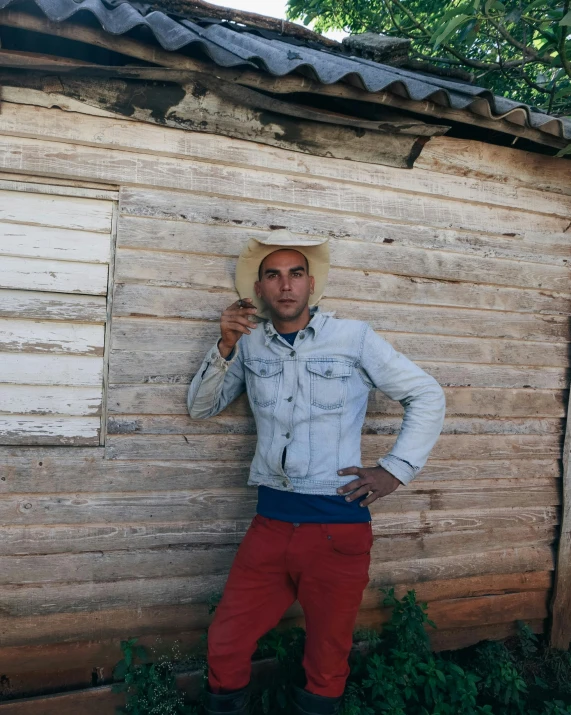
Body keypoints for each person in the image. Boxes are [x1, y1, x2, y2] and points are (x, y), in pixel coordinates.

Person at [187, 230, 445, 715]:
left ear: (310, 285)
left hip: (337, 526)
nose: (286, 285)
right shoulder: (250, 345)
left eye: (296, 274)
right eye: (274, 275)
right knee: (225, 640)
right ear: (260, 288)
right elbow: (201, 408)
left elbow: (427, 394)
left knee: (327, 656)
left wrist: (394, 469)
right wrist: (223, 345)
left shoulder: (352, 338)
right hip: (271, 522)